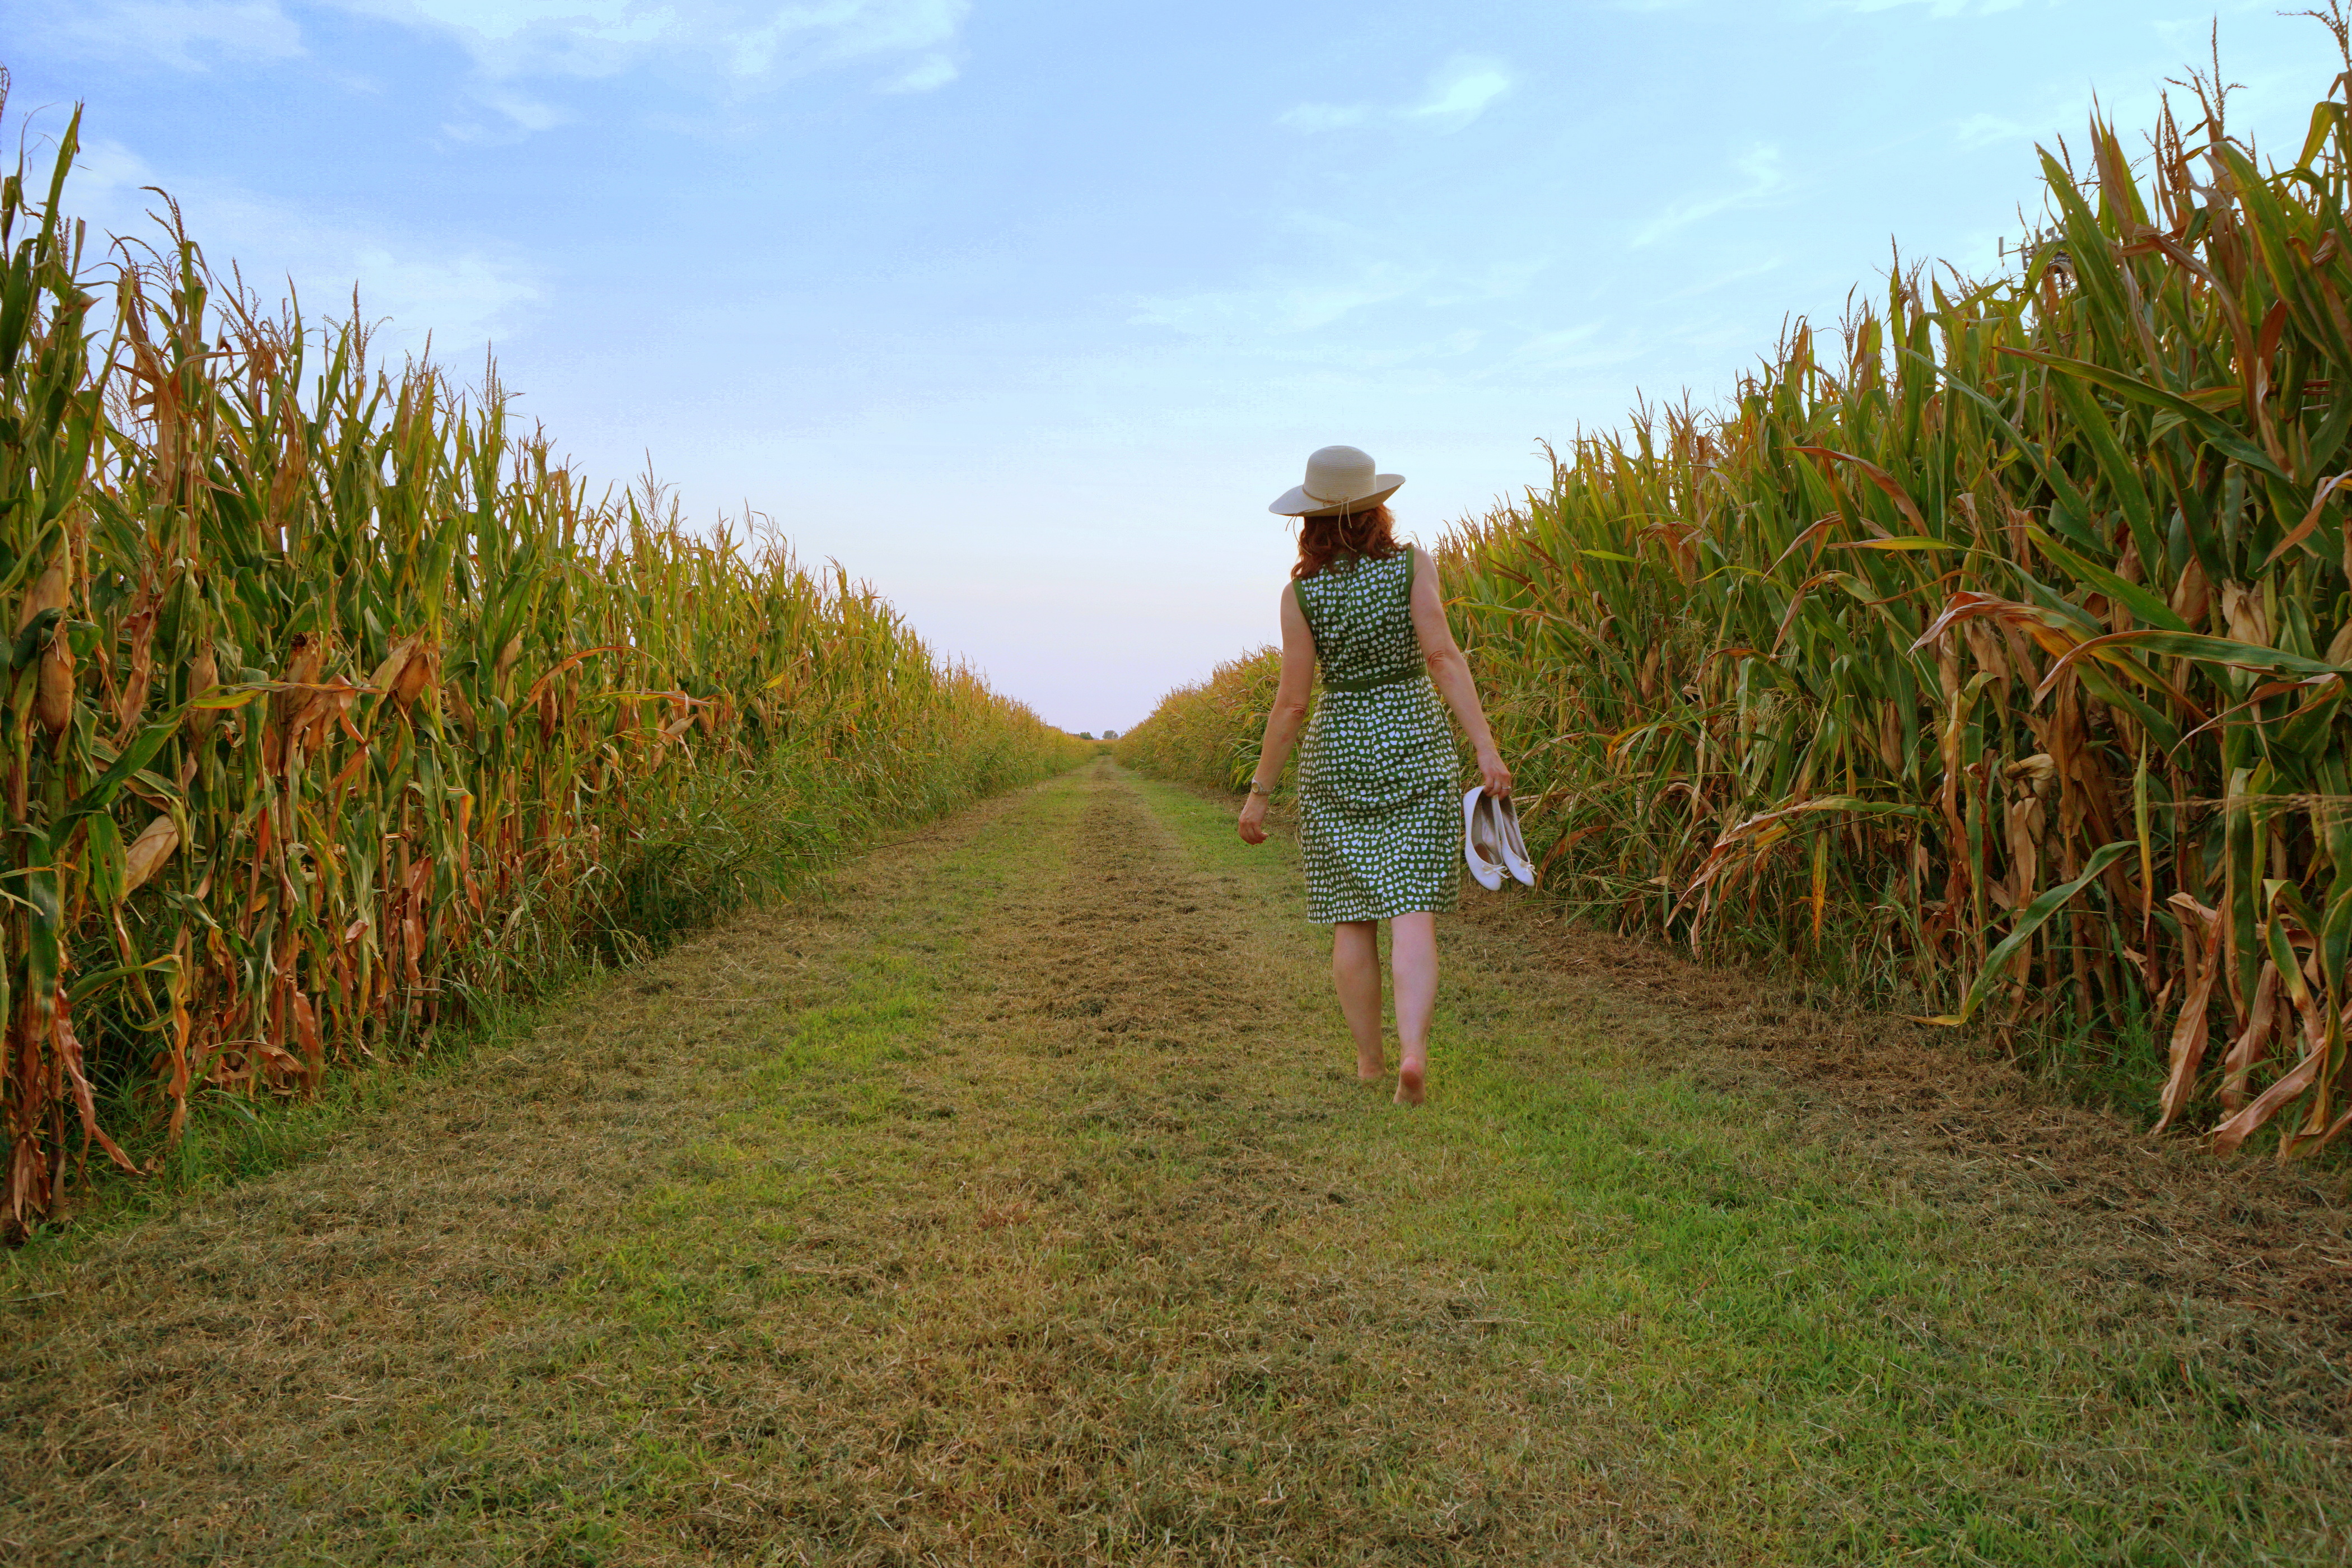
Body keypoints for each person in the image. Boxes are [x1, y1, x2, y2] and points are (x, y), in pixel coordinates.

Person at [1236, 446, 1512, 1105]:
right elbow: (1443, 656)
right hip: (1414, 743)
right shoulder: (1414, 566)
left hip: (1340, 753)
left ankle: (1369, 1063)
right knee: (1413, 910)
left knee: (1351, 917)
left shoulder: (1300, 594)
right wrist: (1485, 746)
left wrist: (1259, 795)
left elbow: (1293, 703)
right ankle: (1414, 1053)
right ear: (1376, 507)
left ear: (1310, 520)